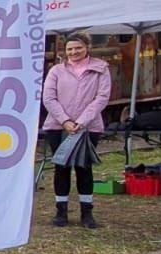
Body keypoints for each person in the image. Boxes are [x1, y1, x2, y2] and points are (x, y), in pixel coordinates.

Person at [42, 32, 113, 228]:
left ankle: (87, 212)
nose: (74, 52)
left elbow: (102, 97)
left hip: (88, 127)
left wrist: (81, 121)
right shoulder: (56, 71)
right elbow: (48, 98)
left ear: (87, 47)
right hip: (58, 126)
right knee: (61, 168)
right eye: (70, 49)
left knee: (84, 168)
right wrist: (64, 120)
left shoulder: (100, 69)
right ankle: (61, 211)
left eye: (78, 48)